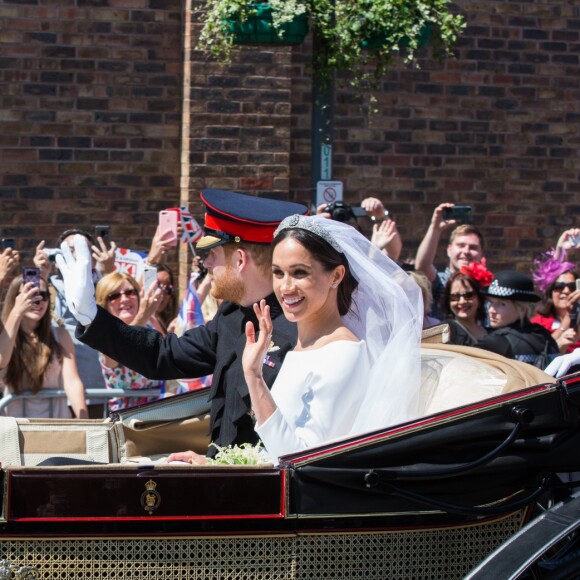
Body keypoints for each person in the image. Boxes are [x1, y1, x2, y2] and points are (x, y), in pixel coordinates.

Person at [55, 190, 309, 456]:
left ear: (240, 260)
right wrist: (91, 316)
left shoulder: (301, 326)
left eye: (212, 253)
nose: (206, 263)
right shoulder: (231, 315)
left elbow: (297, 438)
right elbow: (164, 355)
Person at [241, 215, 423, 462]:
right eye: (278, 273)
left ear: (336, 276)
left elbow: (296, 459)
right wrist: (213, 464)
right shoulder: (304, 346)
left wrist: (254, 377)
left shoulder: (343, 352)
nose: (286, 287)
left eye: (299, 273)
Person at [0, 274, 88, 419]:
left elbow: (72, 381)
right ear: (16, 298)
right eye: (31, 294)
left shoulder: (60, 335)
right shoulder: (6, 335)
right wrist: (16, 312)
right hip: (17, 428)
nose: (38, 300)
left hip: (55, 426)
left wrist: (85, 421)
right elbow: (1, 360)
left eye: (43, 295)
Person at [95, 272, 166, 411]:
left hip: (160, 409)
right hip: (127, 418)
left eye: (130, 292)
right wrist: (141, 319)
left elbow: (168, 356)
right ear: (105, 305)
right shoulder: (105, 334)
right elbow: (119, 352)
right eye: (114, 296)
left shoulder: (151, 322)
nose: (124, 299)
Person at [415, 203, 485, 320]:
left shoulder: (486, 286)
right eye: (461, 245)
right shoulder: (441, 281)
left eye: (473, 247)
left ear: (482, 253)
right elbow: (422, 266)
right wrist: (435, 228)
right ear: (449, 250)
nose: (466, 251)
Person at [475, 271, 559, 367]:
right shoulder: (545, 336)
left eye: (502, 304)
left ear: (522, 309)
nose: (491, 310)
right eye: (491, 302)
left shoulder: (496, 342)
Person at [530, 248, 580, 354]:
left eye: (571, 286)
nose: (566, 291)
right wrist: (568, 318)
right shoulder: (538, 323)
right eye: (559, 286)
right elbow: (541, 350)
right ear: (550, 292)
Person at [440, 261, 493, 346]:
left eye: (468, 295)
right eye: (455, 297)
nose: (462, 301)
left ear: (479, 298)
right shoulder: (444, 331)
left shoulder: (491, 333)